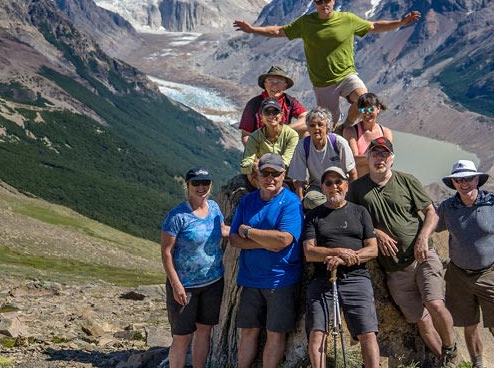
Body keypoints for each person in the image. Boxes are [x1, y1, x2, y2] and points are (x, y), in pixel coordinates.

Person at [233, 0, 421, 130]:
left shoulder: (347, 19)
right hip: (323, 83)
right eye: (320, 2)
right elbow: (279, 31)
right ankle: (334, 140)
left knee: (364, 99)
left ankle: (348, 125)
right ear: (314, 3)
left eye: (327, 1)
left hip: (347, 75)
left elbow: (373, 27)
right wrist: (252, 29)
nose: (324, 5)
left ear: (333, 0)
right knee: (328, 123)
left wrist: (400, 23)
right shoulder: (306, 23)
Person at [349, 137, 458, 368]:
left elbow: (432, 213)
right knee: (419, 319)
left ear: (392, 159)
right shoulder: (357, 189)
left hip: (422, 257)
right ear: (367, 157)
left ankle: (451, 348)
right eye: (376, 154)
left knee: (435, 303)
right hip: (394, 269)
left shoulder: (406, 181)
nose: (380, 159)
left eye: (385, 154)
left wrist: (422, 238)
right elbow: (351, 220)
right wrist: (376, 233)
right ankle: (445, 362)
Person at [423, 160, 494, 368]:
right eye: (458, 179)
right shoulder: (448, 207)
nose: (464, 183)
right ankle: (477, 364)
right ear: (453, 183)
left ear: (477, 179)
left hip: (491, 273)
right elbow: (430, 224)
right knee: (469, 325)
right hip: (458, 275)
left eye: (468, 178)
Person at [229, 153, 303, 368]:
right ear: (257, 175)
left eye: (275, 173)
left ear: (284, 175)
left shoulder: (291, 202)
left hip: (280, 280)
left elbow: (284, 239)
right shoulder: (247, 200)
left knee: (275, 333)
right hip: (251, 279)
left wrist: (249, 231)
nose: (270, 178)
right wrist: (267, 241)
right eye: (265, 173)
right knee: (249, 331)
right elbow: (234, 239)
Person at [302, 166, 381, 368]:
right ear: (322, 188)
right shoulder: (314, 216)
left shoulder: (360, 212)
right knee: (317, 332)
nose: (334, 186)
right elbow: (309, 252)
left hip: (357, 277)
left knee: (367, 332)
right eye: (328, 183)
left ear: (346, 185)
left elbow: (372, 250)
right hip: (323, 279)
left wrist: (346, 258)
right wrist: (338, 252)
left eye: (338, 182)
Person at [161, 168, 229, 368]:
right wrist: (176, 285)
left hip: (213, 281)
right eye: (196, 184)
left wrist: (249, 233)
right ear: (188, 185)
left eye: (205, 183)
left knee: (204, 331)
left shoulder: (215, 208)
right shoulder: (177, 216)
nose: (201, 188)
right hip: (185, 286)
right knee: (182, 337)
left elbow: (222, 230)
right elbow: (166, 252)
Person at [288, 107, 356, 210]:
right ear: (308, 127)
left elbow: (352, 173)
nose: (316, 128)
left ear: (327, 127)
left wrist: (351, 198)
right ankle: (337, 207)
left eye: (320, 124)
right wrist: (300, 207)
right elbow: (299, 181)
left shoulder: (338, 143)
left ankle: (334, 207)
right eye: (312, 125)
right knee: (311, 200)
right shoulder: (302, 146)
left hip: (339, 185)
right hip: (318, 187)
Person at [238, 65, 308, 145]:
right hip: (261, 147)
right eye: (270, 81)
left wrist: (283, 131)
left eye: (279, 81)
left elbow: (307, 119)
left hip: (284, 144)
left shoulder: (290, 102)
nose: (274, 85)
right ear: (265, 84)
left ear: (285, 85)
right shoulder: (254, 104)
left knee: (307, 132)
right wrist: (255, 154)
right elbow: (246, 135)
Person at [239, 97, 299, 189]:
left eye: (275, 112)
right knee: (250, 174)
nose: (271, 116)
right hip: (262, 174)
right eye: (267, 112)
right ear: (261, 116)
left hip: (283, 174)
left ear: (281, 114)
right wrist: (254, 165)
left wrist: (262, 164)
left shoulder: (291, 135)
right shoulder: (254, 137)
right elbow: (245, 164)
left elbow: (286, 161)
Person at [343, 92, 394, 178]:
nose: (367, 114)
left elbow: (390, 160)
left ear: (378, 109)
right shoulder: (350, 132)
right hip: (359, 183)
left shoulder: (386, 132)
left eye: (370, 109)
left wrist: (369, 157)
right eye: (363, 110)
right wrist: (379, 156)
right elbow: (353, 160)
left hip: (381, 182)